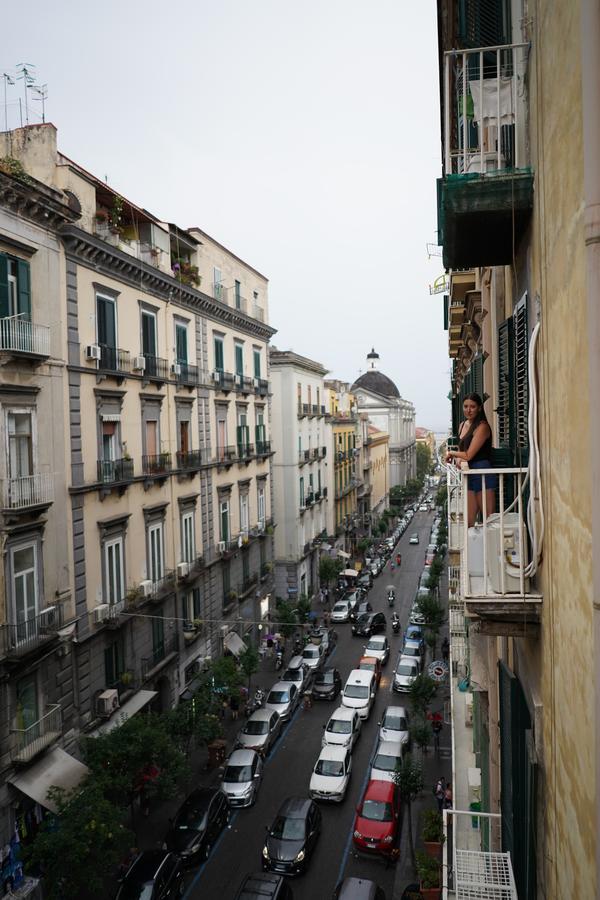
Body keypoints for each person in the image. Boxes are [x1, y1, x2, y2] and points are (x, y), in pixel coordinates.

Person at [445, 392, 497, 527]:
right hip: (470, 474)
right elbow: (462, 450)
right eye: (465, 406)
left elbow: (468, 455)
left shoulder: (482, 427)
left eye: (472, 407)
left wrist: (452, 453)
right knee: (469, 522)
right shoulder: (462, 425)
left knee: (488, 521)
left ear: (479, 408)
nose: (468, 410)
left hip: (483, 474)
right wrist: (457, 459)